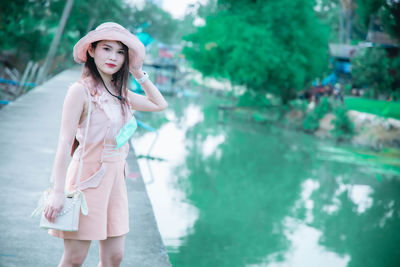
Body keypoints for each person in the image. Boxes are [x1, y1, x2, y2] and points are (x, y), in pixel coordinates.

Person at [43, 22, 168, 267]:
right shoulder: (81, 91)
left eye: (120, 52)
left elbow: (159, 104)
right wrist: (58, 192)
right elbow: (64, 143)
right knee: (74, 259)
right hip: (87, 181)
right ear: (91, 50)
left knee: (114, 258)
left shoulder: (120, 92)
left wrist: (138, 73)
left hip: (116, 183)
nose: (113, 57)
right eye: (106, 49)